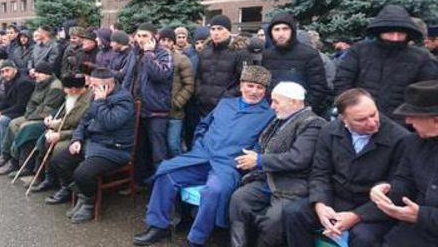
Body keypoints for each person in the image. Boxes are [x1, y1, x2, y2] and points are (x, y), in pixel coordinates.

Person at [133, 66, 276, 247]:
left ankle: (196, 239)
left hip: (228, 164)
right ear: (241, 86)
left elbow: (263, 145)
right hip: (202, 156)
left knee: (214, 191)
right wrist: (200, 143)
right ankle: (158, 225)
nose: (254, 91)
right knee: (166, 172)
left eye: (259, 87)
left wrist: (251, 158)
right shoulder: (226, 104)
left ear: (265, 90)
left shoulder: (269, 115)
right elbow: (203, 125)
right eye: (250, 85)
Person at [283, 88, 411, 247]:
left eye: (373, 114)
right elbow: (320, 173)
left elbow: (398, 190)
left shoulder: (400, 139)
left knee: (364, 237)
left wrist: (357, 215)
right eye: (361, 119)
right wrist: (321, 204)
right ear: (344, 119)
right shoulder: (329, 131)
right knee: (293, 213)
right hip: (337, 198)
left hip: (373, 207)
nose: (371, 122)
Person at [228, 82, 326, 247]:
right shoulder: (281, 119)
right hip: (269, 179)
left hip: (294, 185)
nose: (272, 106)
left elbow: (298, 158)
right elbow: (263, 146)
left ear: (294, 103)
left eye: (276, 102)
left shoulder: (313, 124)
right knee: (240, 199)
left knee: (274, 221)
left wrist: (259, 160)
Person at [47, 68, 136, 224]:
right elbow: (84, 121)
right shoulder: (96, 95)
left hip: (114, 148)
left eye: (95, 85)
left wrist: (100, 101)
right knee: (58, 160)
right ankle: (79, 193)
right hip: (92, 143)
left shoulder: (124, 99)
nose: (91, 88)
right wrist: (77, 140)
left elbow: (111, 122)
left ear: (107, 85)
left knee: (83, 173)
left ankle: (88, 202)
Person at [335, 5, 438, 124]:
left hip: (402, 125)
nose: (395, 38)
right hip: (360, 119)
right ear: (380, 31)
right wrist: (350, 110)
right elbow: (343, 82)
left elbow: (426, 94)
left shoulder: (421, 58)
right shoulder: (359, 51)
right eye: (390, 33)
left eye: (400, 33)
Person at [369, 80, 438, 246]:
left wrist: (422, 216)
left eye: (413, 116)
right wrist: (386, 191)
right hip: (416, 232)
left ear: (435, 120)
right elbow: (404, 180)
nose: (408, 121)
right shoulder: (413, 142)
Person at [0, 61, 64, 176]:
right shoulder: (40, 83)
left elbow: (47, 109)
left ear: (47, 74)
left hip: (44, 118)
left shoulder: (55, 88)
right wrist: (28, 114)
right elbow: (31, 102)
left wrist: (30, 117)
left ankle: (18, 162)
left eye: (39, 73)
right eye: (36, 72)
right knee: (13, 123)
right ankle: (6, 156)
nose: (36, 75)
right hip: (32, 114)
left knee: (25, 127)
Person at [123, 23, 173, 184]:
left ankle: (161, 188)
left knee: (158, 151)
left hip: (156, 110)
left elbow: (161, 75)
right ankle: (140, 183)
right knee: (139, 149)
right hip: (136, 108)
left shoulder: (163, 53)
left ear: (154, 37)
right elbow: (128, 78)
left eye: (145, 36)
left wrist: (149, 54)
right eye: (139, 36)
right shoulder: (133, 53)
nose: (141, 39)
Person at [29, 73, 93, 193]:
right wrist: (51, 118)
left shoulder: (88, 102)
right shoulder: (72, 95)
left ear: (73, 89)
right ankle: (49, 179)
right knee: (44, 139)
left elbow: (81, 126)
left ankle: (65, 186)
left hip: (77, 135)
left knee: (58, 147)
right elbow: (62, 111)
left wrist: (60, 133)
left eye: (66, 88)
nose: (64, 91)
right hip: (64, 128)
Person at [261, 13, 330, 116]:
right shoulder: (267, 55)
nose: (281, 33)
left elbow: (318, 89)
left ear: (292, 31)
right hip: (273, 110)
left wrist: (303, 109)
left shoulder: (309, 54)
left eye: (285, 29)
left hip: (300, 112)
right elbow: (264, 85)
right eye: (276, 29)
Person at [0, 60, 34, 160]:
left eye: (7, 70)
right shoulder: (8, 82)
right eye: (2, 72)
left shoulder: (24, 82)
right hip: (13, 109)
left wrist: (0, 113)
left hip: (23, 111)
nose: (5, 74)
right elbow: (6, 100)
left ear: (14, 70)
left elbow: (21, 106)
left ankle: (5, 153)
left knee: (3, 119)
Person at [196, 15, 246, 117]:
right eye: (213, 29)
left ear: (228, 31)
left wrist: (227, 96)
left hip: (227, 107)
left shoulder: (239, 52)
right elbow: (198, 77)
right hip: (204, 106)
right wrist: (200, 92)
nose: (216, 32)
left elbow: (243, 81)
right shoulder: (205, 52)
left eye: (220, 29)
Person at [158, 27, 195, 157]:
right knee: (159, 147)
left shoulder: (181, 59)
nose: (166, 43)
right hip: (157, 112)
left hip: (175, 112)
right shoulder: (153, 57)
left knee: (173, 145)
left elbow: (189, 85)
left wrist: (177, 103)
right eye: (163, 40)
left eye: (169, 40)